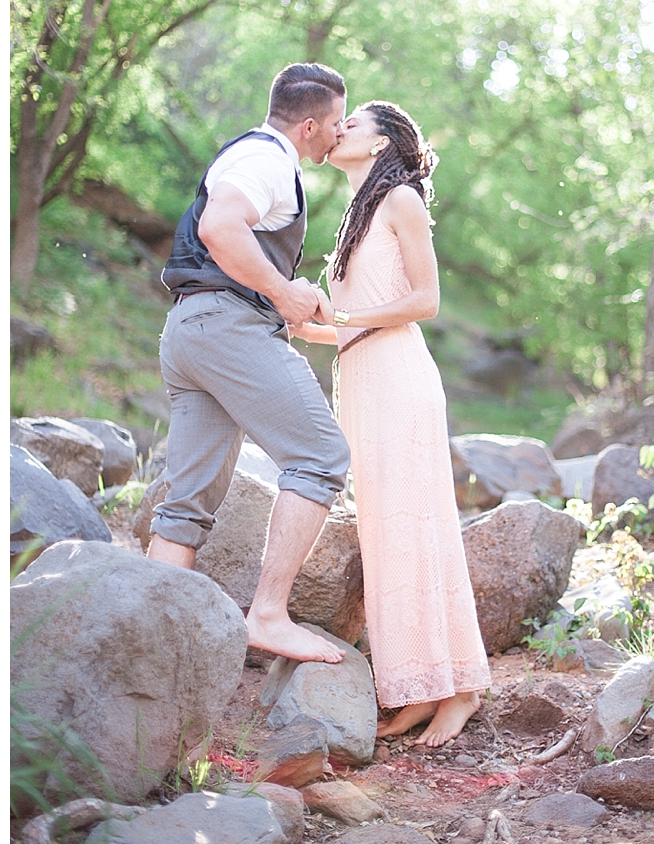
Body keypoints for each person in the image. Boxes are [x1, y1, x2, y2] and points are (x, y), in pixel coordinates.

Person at [292, 101, 490, 746]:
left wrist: (341, 321)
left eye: (351, 124)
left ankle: (461, 687)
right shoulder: (357, 211)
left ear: (380, 145)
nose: (336, 127)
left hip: (400, 381)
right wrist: (307, 326)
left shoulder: (400, 199)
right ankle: (418, 688)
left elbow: (425, 301)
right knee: (385, 538)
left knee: (419, 529)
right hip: (362, 378)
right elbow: (357, 321)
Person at [147, 62, 351, 665]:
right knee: (320, 456)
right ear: (310, 124)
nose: (339, 135)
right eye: (336, 123)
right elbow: (218, 226)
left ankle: (154, 631)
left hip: (189, 328)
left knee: (186, 503)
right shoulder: (267, 160)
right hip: (225, 329)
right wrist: (282, 292)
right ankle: (267, 614)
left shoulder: (252, 156)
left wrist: (279, 296)